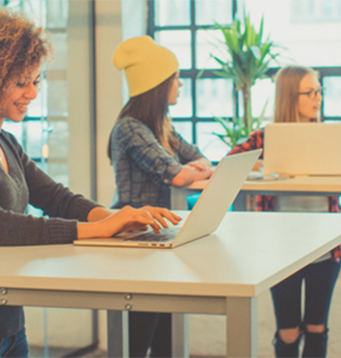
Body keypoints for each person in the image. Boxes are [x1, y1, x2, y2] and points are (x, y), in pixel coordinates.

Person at [0, 10, 179, 357]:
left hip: (10, 326)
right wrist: (102, 229)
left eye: (36, 80)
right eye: (20, 82)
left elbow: (56, 197)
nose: (32, 92)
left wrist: (121, 218)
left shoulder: (7, 143)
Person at [228, 65, 341, 358]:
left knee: (317, 327)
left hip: (326, 248)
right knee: (288, 331)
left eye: (319, 90)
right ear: (289, 96)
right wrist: (267, 163)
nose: (318, 98)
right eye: (310, 92)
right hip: (280, 250)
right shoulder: (264, 137)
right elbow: (229, 163)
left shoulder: (327, 135)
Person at [108, 36, 214, 357]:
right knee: (141, 336)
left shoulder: (161, 125)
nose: (180, 85)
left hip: (159, 234)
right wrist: (191, 169)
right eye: (175, 78)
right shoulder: (130, 128)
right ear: (157, 84)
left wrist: (195, 167)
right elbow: (178, 173)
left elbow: (201, 160)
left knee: (166, 331)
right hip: (135, 240)